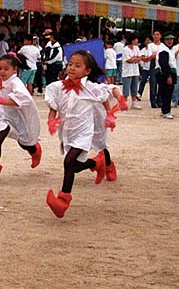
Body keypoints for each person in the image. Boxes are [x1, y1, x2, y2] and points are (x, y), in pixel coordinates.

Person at [44, 50, 122, 218]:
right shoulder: (57, 87)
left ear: (87, 71)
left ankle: (63, 200)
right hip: (68, 132)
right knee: (73, 165)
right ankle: (95, 163)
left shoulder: (92, 87)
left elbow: (108, 92)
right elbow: (53, 107)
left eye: (77, 65)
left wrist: (112, 111)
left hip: (84, 133)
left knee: (68, 161)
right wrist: (52, 120)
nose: (72, 68)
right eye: (70, 64)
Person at [0, 53, 42, 182]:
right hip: (4, 116)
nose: (2, 71)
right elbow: (1, 96)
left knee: (24, 142)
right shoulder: (1, 81)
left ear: (15, 70)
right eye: (0, 68)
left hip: (17, 117)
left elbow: (24, 99)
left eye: (6, 69)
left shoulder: (16, 82)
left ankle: (34, 149)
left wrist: (3, 101)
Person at [118, 35, 142, 109]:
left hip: (135, 71)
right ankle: (124, 103)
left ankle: (134, 102)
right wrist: (135, 59)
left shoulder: (136, 48)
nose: (137, 41)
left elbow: (140, 57)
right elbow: (128, 60)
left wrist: (134, 59)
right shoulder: (125, 49)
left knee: (134, 87)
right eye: (135, 39)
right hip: (127, 72)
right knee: (126, 88)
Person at [156, 36, 177, 119]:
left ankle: (165, 109)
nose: (170, 41)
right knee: (167, 92)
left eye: (171, 39)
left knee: (168, 92)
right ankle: (166, 111)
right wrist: (168, 76)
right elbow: (164, 64)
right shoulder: (163, 50)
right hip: (164, 73)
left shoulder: (169, 49)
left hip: (171, 72)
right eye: (167, 39)